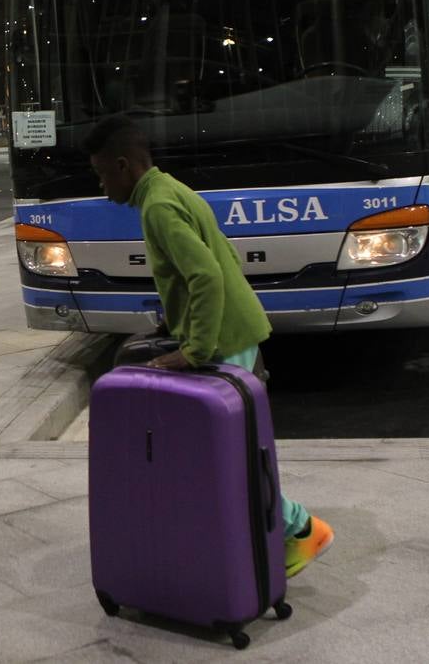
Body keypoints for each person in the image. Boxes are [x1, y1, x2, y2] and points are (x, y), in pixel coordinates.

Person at [82, 114, 333, 578]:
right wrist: (176, 318)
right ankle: (270, 536)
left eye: (101, 174)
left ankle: (302, 529)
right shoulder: (171, 189)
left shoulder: (157, 207)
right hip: (233, 329)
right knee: (233, 452)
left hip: (224, 338)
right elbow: (223, 253)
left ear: (123, 166)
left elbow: (206, 275)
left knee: (233, 456)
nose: (101, 186)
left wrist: (194, 350)